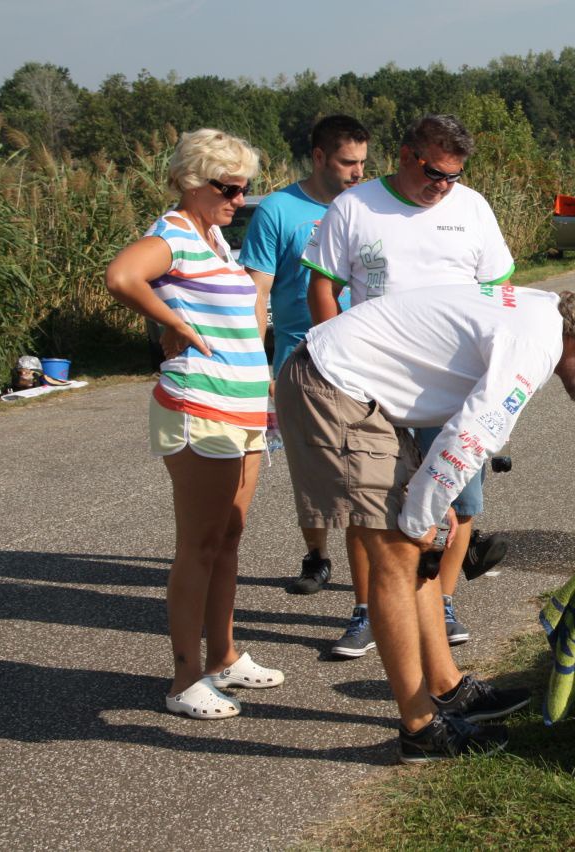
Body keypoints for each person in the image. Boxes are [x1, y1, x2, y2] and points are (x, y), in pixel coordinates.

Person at [274, 283, 575, 762]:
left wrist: (437, 502)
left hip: (355, 385)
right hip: (334, 384)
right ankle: (420, 729)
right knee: (400, 553)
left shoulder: (544, 316)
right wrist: (423, 516)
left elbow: (461, 429)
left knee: (420, 545)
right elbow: (471, 434)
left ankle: (447, 687)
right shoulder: (534, 344)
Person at [303, 113, 514, 647]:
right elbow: (323, 288)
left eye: (453, 176)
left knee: (457, 502)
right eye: (434, 173)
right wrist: (338, 368)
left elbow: (501, 293)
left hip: (452, 388)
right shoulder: (353, 208)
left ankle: (439, 604)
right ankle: (368, 609)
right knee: (367, 500)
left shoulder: (473, 209)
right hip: (371, 386)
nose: (443, 186)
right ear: (404, 156)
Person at [105, 129, 284, 720]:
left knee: (228, 537)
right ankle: (185, 679)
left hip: (242, 408)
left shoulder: (214, 239)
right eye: (229, 188)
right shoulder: (174, 235)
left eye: (245, 189)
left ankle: (224, 656)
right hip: (200, 407)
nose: (240, 199)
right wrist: (173, 325)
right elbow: (123, 277)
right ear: (193, 182)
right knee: (199, 545)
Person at [239, 115, 375, 658]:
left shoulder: (365, 207)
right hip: (301, 360)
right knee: (312, 473)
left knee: (362, 476)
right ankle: (317, 556)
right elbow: (260, 290)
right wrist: (256, 365)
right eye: (347, 163)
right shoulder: (277, 210)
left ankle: (370, 593)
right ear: (318, 157)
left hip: (364, 359)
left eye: (363, 162)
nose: (357, 173)